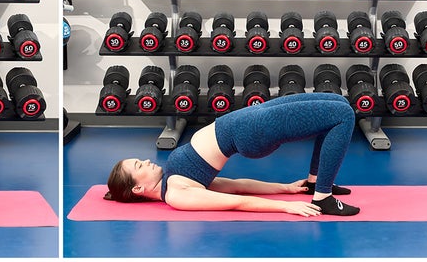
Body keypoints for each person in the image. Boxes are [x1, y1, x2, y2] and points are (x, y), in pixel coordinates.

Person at [105, 92, 360, 217]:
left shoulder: (174, 178)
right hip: (252, 130)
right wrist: (286, 207)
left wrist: (286, 188)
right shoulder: (177, 194)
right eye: (139, 166)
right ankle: (323, 196)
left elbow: (236, 187)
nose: (147, 160)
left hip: (244, 119)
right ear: (138, 189)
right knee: (343, 116)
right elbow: (237, 203)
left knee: (338, 102)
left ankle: (315, 182)